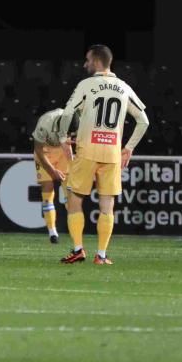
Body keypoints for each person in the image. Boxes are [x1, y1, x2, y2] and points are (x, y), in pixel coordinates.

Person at [58, 45, 149, 265]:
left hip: (87, 150)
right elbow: (144, 121)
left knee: (74, 201)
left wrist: (62, 137)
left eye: (88, 60)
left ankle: (78, 250)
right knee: (107, 206)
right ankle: (101, 255)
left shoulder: (87, 85)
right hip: (111, 153)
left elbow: (68, 112)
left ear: (97, 61)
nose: (85, 64)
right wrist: (128, 148)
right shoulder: (123, 87)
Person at [31, 108, 74, 244]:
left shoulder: (74, 120)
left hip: (63, 151)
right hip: (45, 151)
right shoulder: (44, 123)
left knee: (70, 192)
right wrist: (52, 170)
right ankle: (52, 232)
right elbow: (38, 149)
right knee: (47, 188)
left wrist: (74, 163)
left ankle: (75, 230)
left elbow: (73, 143)